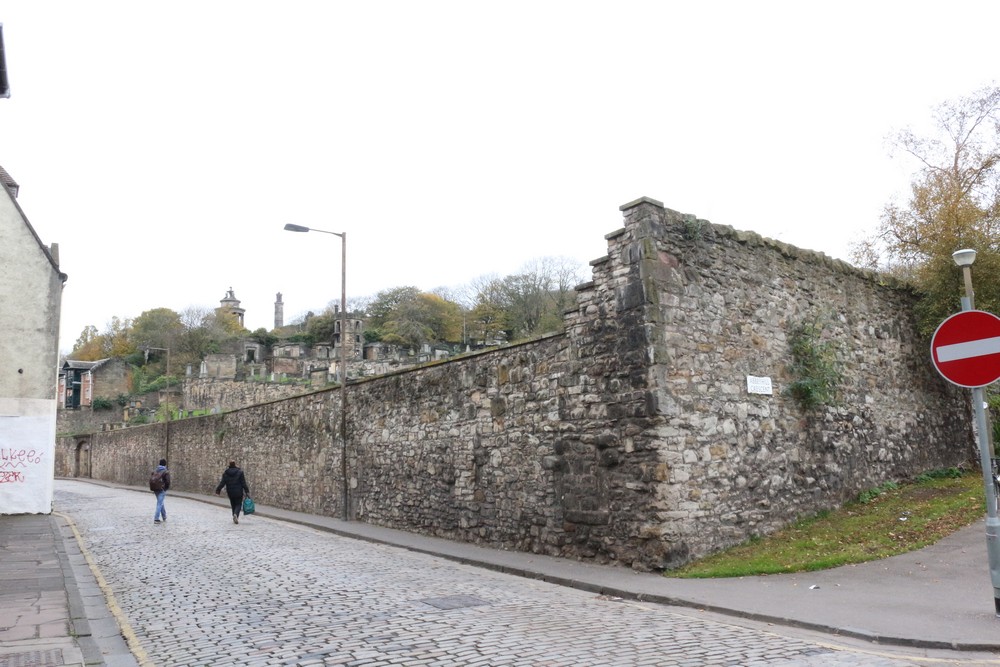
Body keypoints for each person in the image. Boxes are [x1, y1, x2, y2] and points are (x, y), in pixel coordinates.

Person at [151, 459, 171, 524]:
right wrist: (165, 488)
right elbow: (167, 481)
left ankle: (164, 516)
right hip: (162, 489)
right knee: (159, 503)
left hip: (155, 489)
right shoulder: (165, 472)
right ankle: (156, 519)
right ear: (165, 464)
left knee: (160, 502)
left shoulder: (155, 470)